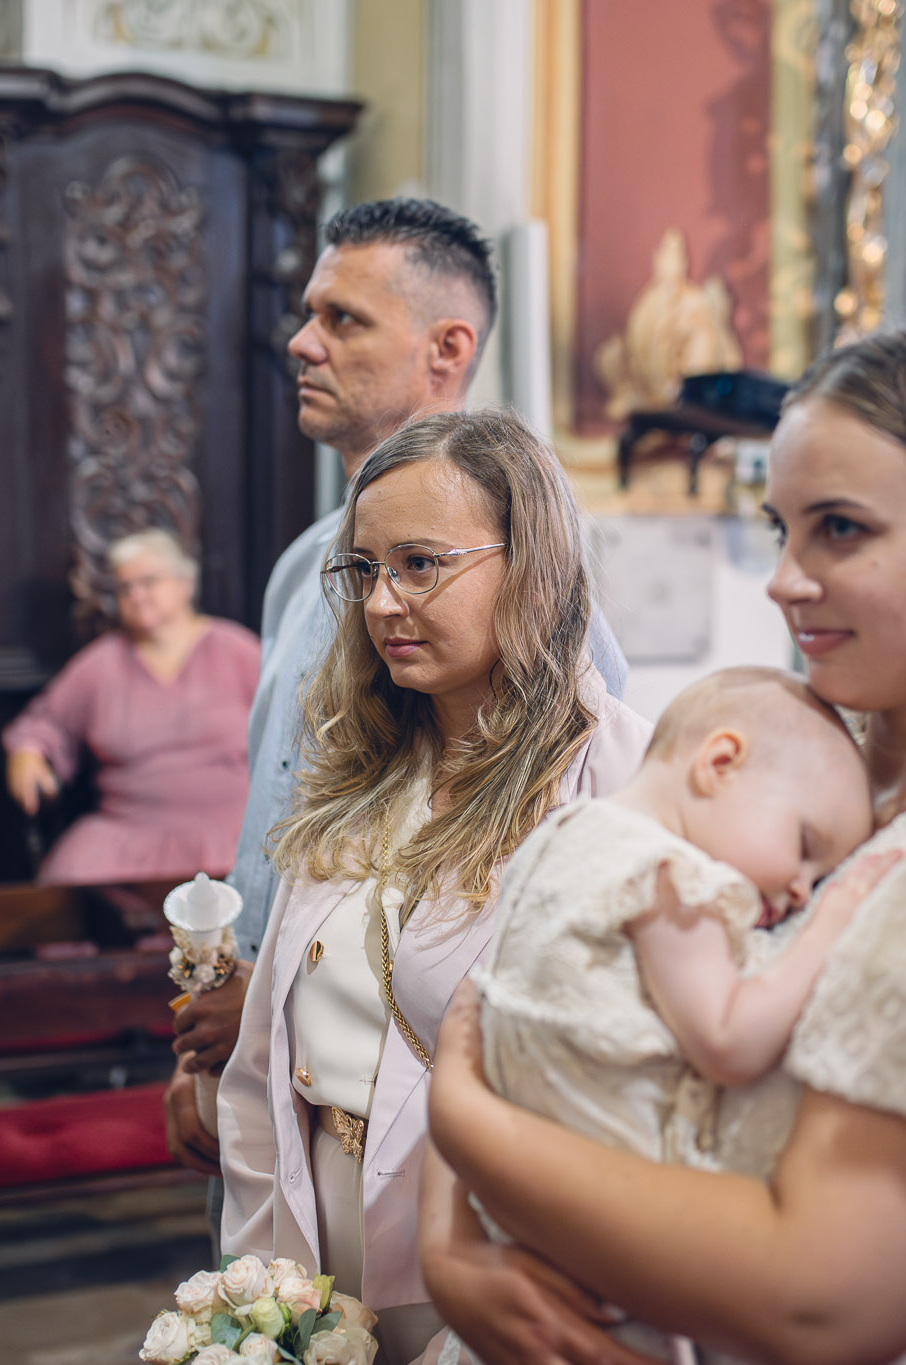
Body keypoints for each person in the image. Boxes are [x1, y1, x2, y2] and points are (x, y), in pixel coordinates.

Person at [422, 318, 906, 1365]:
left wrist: (461, 1124)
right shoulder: (814, 767)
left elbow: (820, 1300)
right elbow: (547, 985)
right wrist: (449, 1242)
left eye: (840, 529)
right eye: (782, 527)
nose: (783, 578)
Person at [161, 198, 629, 1173]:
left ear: (446, 348)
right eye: (308, 315)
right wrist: (222, 1027)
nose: (302, 343)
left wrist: (281, 1002)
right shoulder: (302, 570)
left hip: (409, 1114)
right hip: (258, 1044)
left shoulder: (541, 592)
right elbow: (278, 816)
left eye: (343, 319)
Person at [215, 411, 651, 1365]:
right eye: (366, 569)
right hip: (316, 1227)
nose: (382, 603)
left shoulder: (618, 779)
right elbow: (261, 1064)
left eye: (420, 565)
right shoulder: (360, 768)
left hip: (491, 1255)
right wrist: (257, 1294)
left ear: (529, 565)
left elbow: (631, 1103)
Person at [470, 667, 900, 1360]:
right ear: (720, 763)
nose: (802, 890)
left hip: (519, 1207)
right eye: (806, 849)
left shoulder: (563, 834)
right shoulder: (672, 878)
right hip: (616, 1223)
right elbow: (728, 1041)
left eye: (820, 881)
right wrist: (833, 921)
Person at [1, 529, 259, 883]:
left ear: (186, 583)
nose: (136, 595)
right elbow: (43, 724)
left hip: (231, 831)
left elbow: (293, 722)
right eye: (125, 588)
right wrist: (27, 754)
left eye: (148, 582)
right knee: (68, 891)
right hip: (127, 831)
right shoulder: (99, 664)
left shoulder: (237, 650)